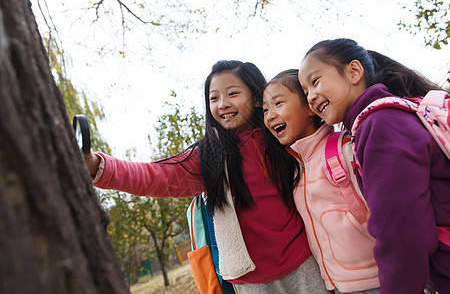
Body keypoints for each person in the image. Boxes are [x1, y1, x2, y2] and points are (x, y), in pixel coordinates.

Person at [84, 60, 330, 293]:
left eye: (232, 94)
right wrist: (98, 166)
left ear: (256, 98)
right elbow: (157, 175)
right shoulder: (208, 156)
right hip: (250, 280)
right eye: (214, 98)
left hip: (304, 262)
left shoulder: (280, 137)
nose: (222, 103)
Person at [298, 38, 450, 294]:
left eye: (315, 81)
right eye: (305, 92)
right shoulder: (387, 116)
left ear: (354, 72)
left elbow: (402, 234)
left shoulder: (381, 124)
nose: (311, 98)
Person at [263, 69, 380, 294]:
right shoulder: (296, 168)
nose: (269, 115)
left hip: (377, 278)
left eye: (278, 103)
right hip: (338, 285)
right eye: (265, 109)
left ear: (309, 107)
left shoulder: (343, 148)